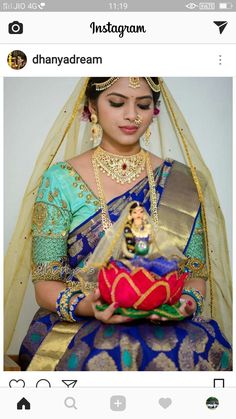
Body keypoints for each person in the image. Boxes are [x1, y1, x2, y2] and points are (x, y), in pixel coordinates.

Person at [5, 77, 232, 371]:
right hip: (83, 320)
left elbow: (195, 274)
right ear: (91, 107)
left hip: (166, 319)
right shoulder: (60, 180)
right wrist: (89, 307)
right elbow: (46, 282)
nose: (131, 115)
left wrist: (185, 304)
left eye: (143, 104)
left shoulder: (183, 182)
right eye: (116, 102)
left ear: (156, 110)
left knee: (194, 350)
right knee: (110, 353)